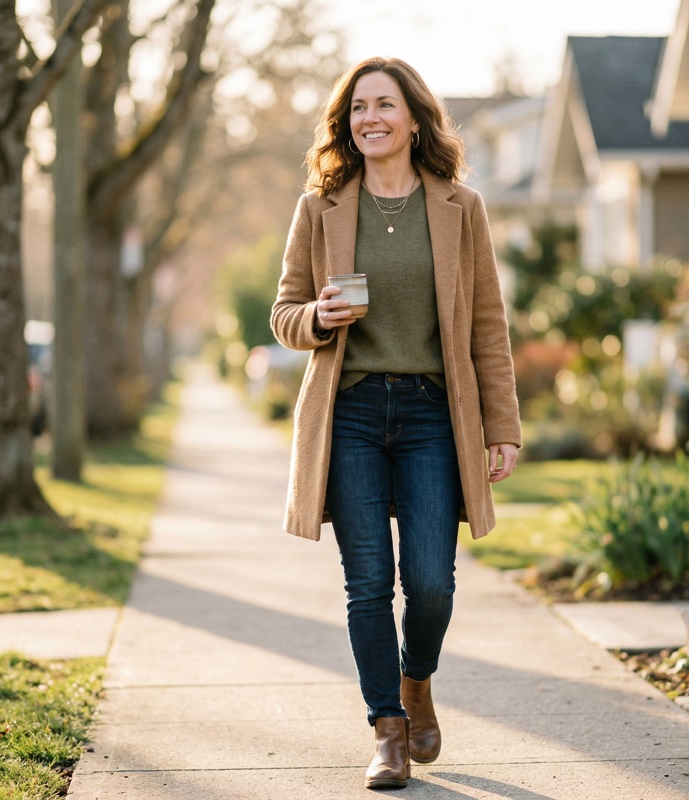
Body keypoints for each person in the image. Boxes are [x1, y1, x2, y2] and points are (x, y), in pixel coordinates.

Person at [270, 56, 521, 791]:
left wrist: (500, 425)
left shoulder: (459, 207)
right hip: (347, 412)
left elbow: (487, 325)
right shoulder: (319, 208)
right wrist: (317, 316)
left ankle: (417, 683)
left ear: (414, 118)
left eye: (384, 105)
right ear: (345, 126)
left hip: (431, 414)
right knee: (368, 582)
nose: (369, 118)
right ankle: (387, 731)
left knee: (433, 583)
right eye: (356, 109)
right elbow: (284, 314)